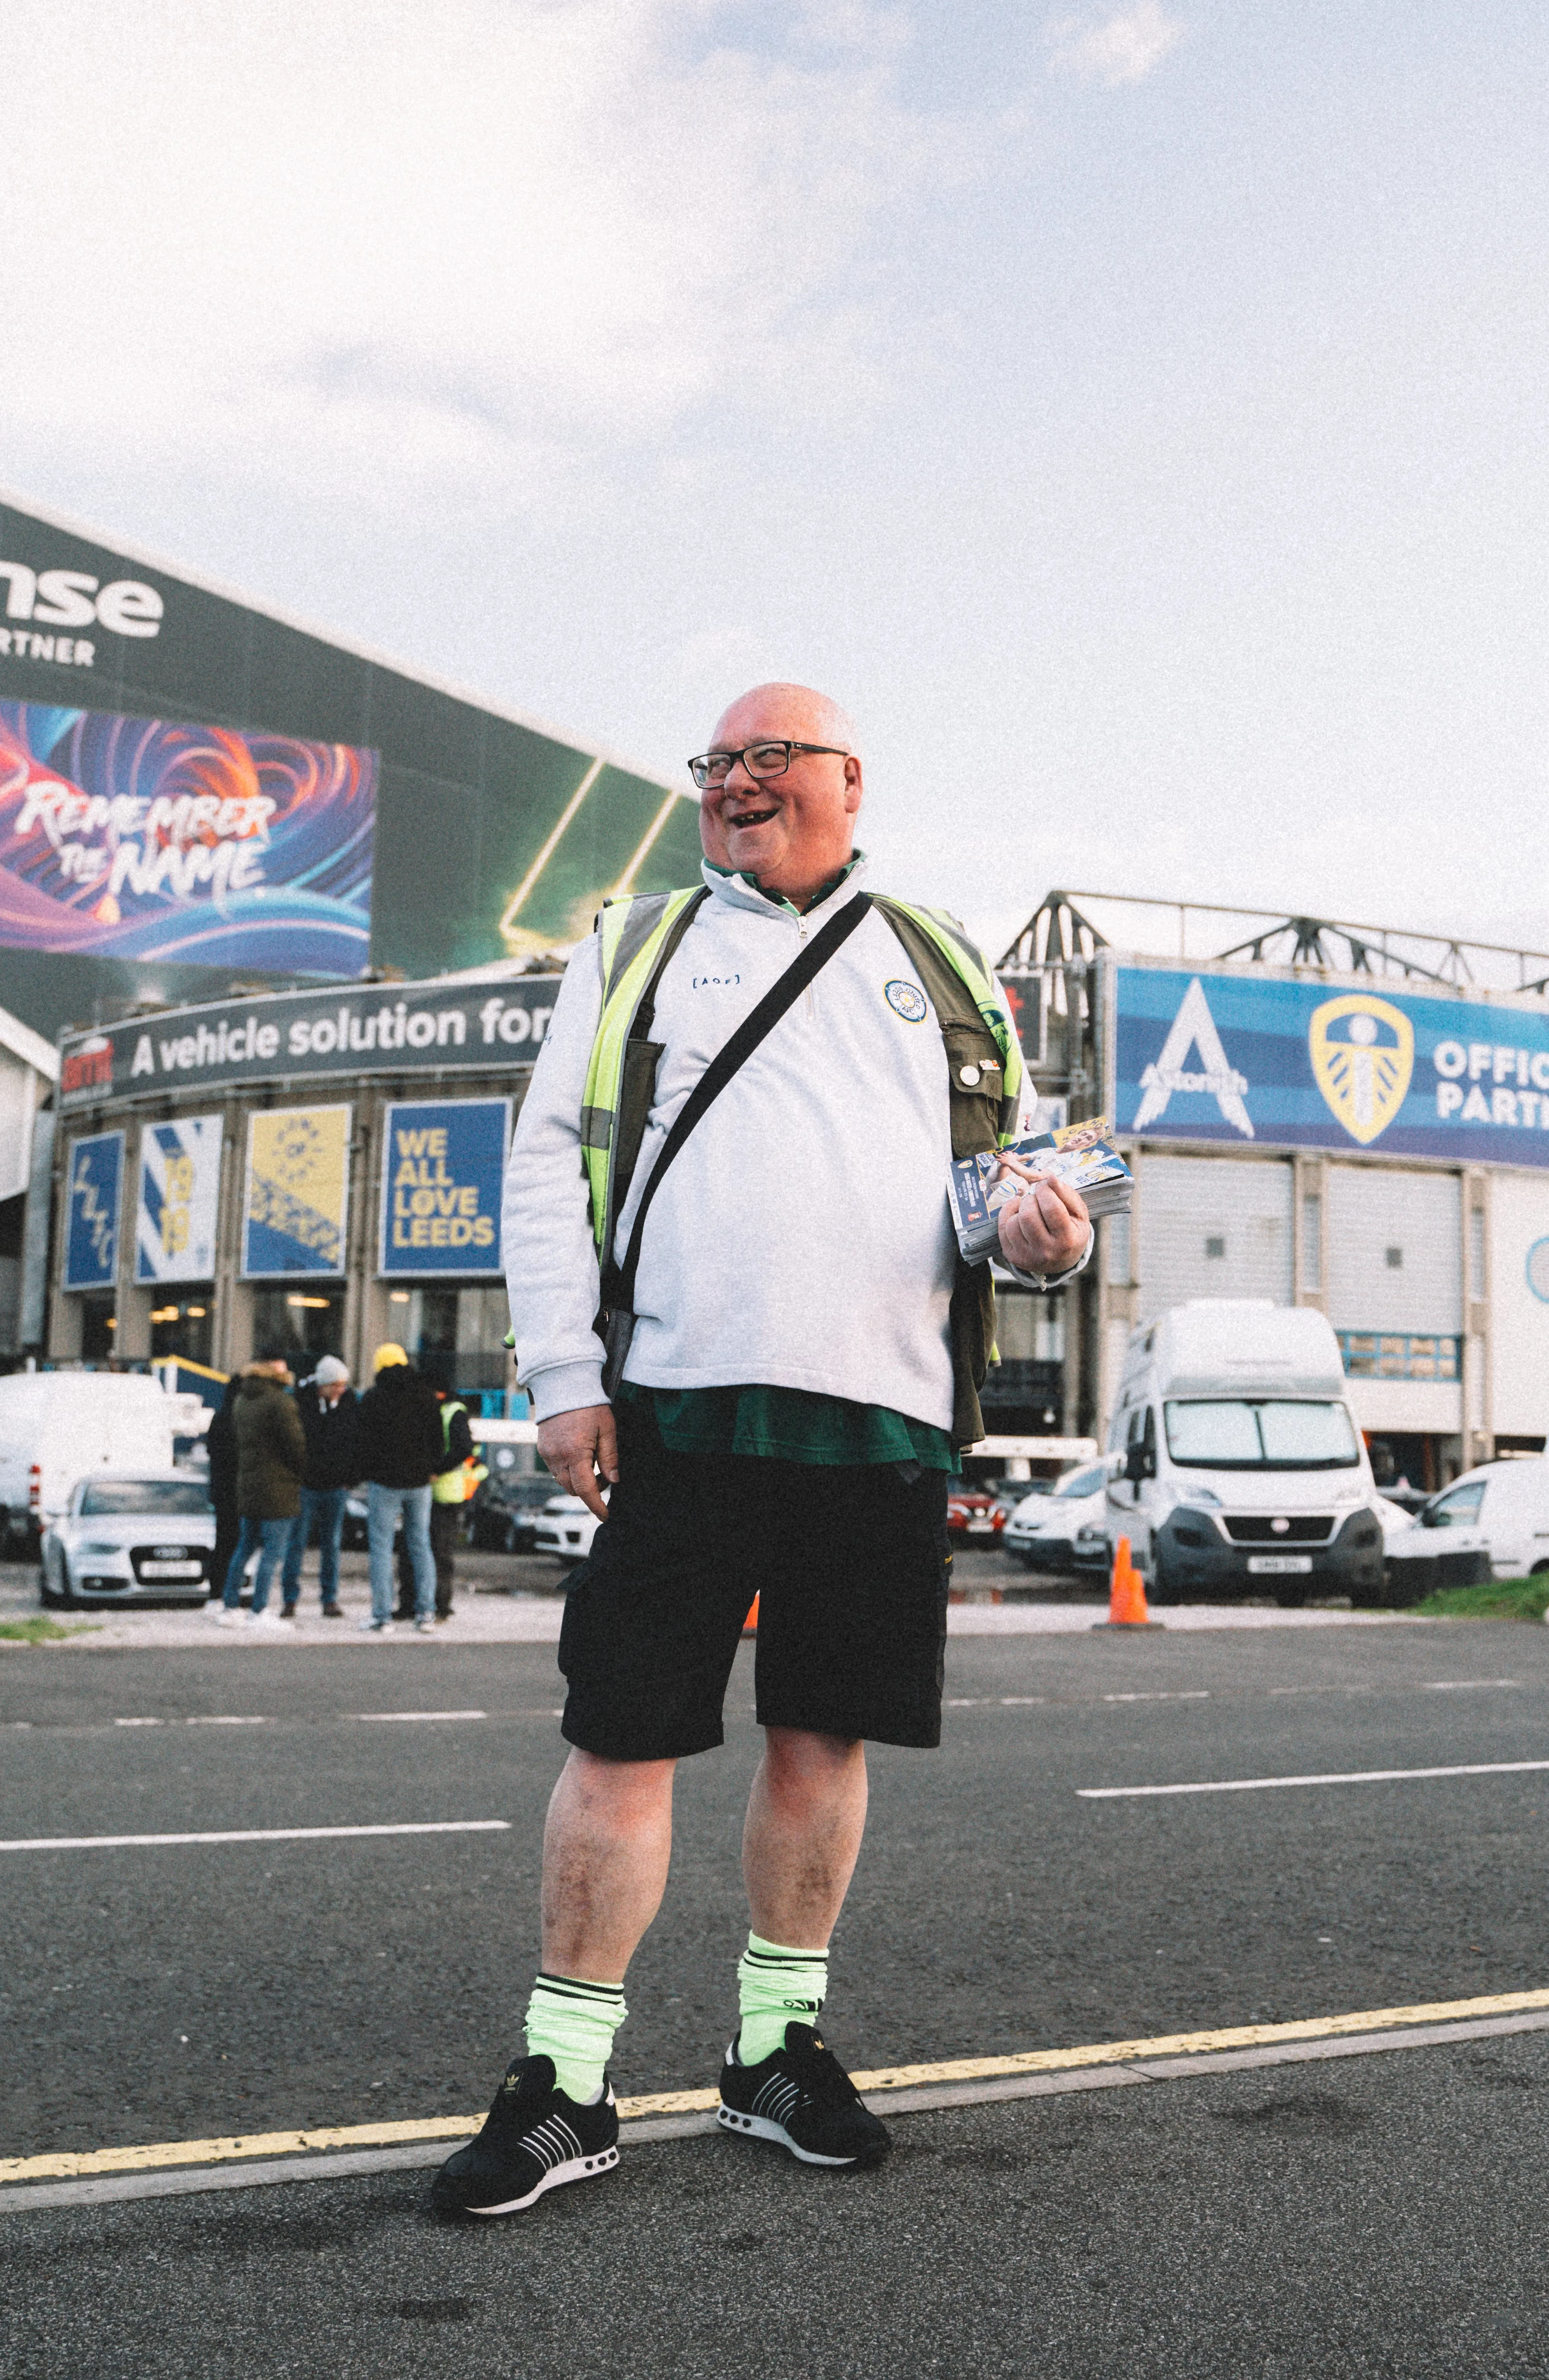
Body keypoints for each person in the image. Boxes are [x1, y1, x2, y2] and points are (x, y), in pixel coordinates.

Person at [433, 683, 1092, 2219]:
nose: (734, 783)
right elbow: (545, 1165)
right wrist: (560, 1379)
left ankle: (773, 2052)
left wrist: (1043, 1235)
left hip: (884, 1414)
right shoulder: (637, 944)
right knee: (624, 1738)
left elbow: (1002, 1193)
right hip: (675, 1401)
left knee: (825, 1736)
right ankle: (566, 2082)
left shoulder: (939, 962)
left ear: (849, 781)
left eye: (766, 758)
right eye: (715, 763)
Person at [355, 1343, 446, 1632]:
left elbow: (363, 1442)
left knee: (381, 1548)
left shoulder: (373, 1398)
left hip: (385, 1483)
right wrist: (432, 1468)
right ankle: (426, 1614)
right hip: (420, 1482)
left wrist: (368, 1471)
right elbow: (437, 1439)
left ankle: (382, 1617)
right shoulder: (426, 1396)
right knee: (421, 1545)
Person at [217, 1356, 306, 1628]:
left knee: (244, 1548)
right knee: (272, 1552)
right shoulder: (280, 1402)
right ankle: (260, 1610)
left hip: (249, 1485)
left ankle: (230, 1607)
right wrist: (302, 1472)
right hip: (278, 1487)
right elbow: (295, 1446)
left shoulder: (242, 1399)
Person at [282, 1355, 361, 1619]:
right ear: (324, 1385)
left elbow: (354, 1441)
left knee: (332, 1545)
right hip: (307, 1485)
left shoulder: (348, 1402)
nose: (341, 1389)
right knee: (297, 1543)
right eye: (337, 1385)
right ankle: (290, 1599)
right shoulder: (303, 1402)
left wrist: (350, 1477)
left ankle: (330, 1598)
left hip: (336, 1485)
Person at [395, 1390, 480, 1620]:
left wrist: (435, 1470)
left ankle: (437, 1605)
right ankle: (419, 1604)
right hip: (425, 1491)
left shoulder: (452, 1412)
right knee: (420, 1550)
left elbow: (463, 1449)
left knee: (435, 1551)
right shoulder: (433, 1410)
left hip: (443, 1494)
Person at [202, 1384, 241, 1599]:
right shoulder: (236, 1420)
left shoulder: (219, 1418)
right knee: (235, 1544)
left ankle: (217, 1591)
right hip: (235, 1490)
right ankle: (226, 1592)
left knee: (223, 1544)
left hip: (220, 1490)